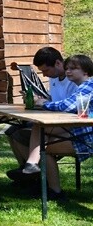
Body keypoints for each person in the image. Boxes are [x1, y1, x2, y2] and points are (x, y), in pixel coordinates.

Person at [11, 54, 93, 201]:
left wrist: (43, 104)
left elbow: (68, 105)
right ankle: (33, 170)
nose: (68, 71)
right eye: (67, 68)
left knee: (43, 146)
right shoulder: (83, 86)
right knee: (36, 130)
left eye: (73, 69)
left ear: (86, 72)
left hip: (86, 138)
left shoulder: (89, 85)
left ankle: (44, 182)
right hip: (77, 131)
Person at [5, 47, 78, 172]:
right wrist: (40, 100)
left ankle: (32, 168)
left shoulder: (74, 79)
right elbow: (54, 99)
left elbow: (70, 105)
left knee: (37, 131)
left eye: (46, 70)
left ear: (58, 63)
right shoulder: (54, 77)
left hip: (70, 123)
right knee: (13, 131)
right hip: (55, 119)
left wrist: (45, 103)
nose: (44, 75)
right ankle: (27, 169)